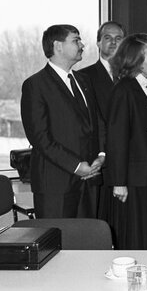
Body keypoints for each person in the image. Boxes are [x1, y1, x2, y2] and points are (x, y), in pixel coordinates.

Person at [20, 24, 103, 218]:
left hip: (89, 179)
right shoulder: (35, 85)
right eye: (76, 40)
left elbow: (98, 124)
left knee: (87, 244)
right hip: (55, 186)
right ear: (58, 46)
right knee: (59, 244)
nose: (82, 45)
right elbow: (40, 138)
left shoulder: (84, 80)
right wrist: (76, 166)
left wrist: (101, 156)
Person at [103, 33, 147, 250]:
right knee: (139, 237)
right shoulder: (124, 90)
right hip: (134, 181)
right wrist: (119, 182)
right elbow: (117, 139)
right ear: (136, 60)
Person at [79, 20, 125, 217]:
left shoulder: (135, 76)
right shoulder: (83, 77)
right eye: (107, 38)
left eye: (118, 38)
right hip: (100, 163)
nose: (113, 42)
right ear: (98, 43)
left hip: (130, 164)